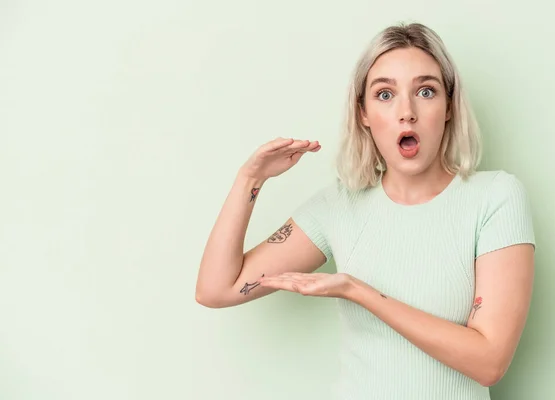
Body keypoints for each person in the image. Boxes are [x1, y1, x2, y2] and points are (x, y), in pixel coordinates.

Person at [195, 21, 536, 400]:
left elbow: (489, 362)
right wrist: (250, 179)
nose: (406, 112)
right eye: (385, 94)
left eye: (425, 91)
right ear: (364, 114)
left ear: (449, 107)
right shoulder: (339, 205)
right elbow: (216, 289)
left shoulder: (495, 197)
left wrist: (359, 291)